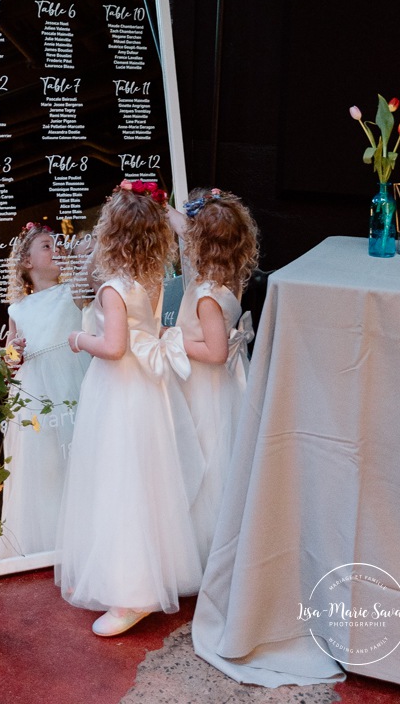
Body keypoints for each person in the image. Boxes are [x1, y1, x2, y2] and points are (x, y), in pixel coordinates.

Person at [55, 180, 203, 636]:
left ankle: (131, 592)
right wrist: (163, 211)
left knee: (120, 482)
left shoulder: (114, 288)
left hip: (119, 391)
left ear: (110, 232)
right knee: (148, 479)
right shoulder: (154, 276)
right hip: (147, 390)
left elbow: (115, 346)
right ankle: (155, 572)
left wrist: (78, 340)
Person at [169, 188, 259, 567]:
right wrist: (163, 207)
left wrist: (171, 338)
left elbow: (217, 352)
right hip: (224, 389)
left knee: (205, 464)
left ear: (198, 244)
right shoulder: (228, 280)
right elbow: (185, 226)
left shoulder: (206, 295)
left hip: (205, 388)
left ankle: (205, 552)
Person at [0, 223, 91, 560]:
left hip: (73, 381)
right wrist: (14, 353)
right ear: (27, 263)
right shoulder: (17, 309)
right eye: (47, 246)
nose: (57, 251)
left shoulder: (74, 293)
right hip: (37, 394)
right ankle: (49, 541)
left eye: (59, 245)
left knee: (79, 455)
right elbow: (10, 360)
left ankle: (85, 533)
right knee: (46, 465)